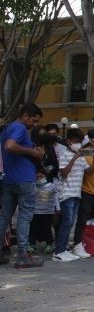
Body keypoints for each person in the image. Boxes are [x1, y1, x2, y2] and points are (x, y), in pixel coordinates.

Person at [0, 103, 44, 268]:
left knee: (5, 217)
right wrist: (32, 152)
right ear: (25, 115)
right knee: (24, 217)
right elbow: (10, 146)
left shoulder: (7, 128)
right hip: (24, 179)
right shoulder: (19, 128)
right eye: (33, 120)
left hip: (9, 179)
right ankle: (23, 255)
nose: (34, 124)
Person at [53, 128, 94, 262]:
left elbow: (89, 172)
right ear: (69, 141)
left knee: (70, 223)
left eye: (80, 142)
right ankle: (59, 251)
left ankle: (64, 249)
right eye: (76, 142)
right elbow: (64, 173)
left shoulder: (81, 155)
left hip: (76, 193)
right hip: (66, 193)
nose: (79, 145)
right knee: (67, 222)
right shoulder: (64, 154)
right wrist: (75, 158)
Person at [29, 170, 58, 254]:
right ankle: (31, 245)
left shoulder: (52, 186)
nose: (39, 178)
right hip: (35, 212)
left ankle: (49, 244)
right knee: (33, 229)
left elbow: (56, 198)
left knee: (47, 229)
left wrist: (57, 209)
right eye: (37, 177)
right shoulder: (33, 186)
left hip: (48, 212)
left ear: (46, 176)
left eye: (41, 176)